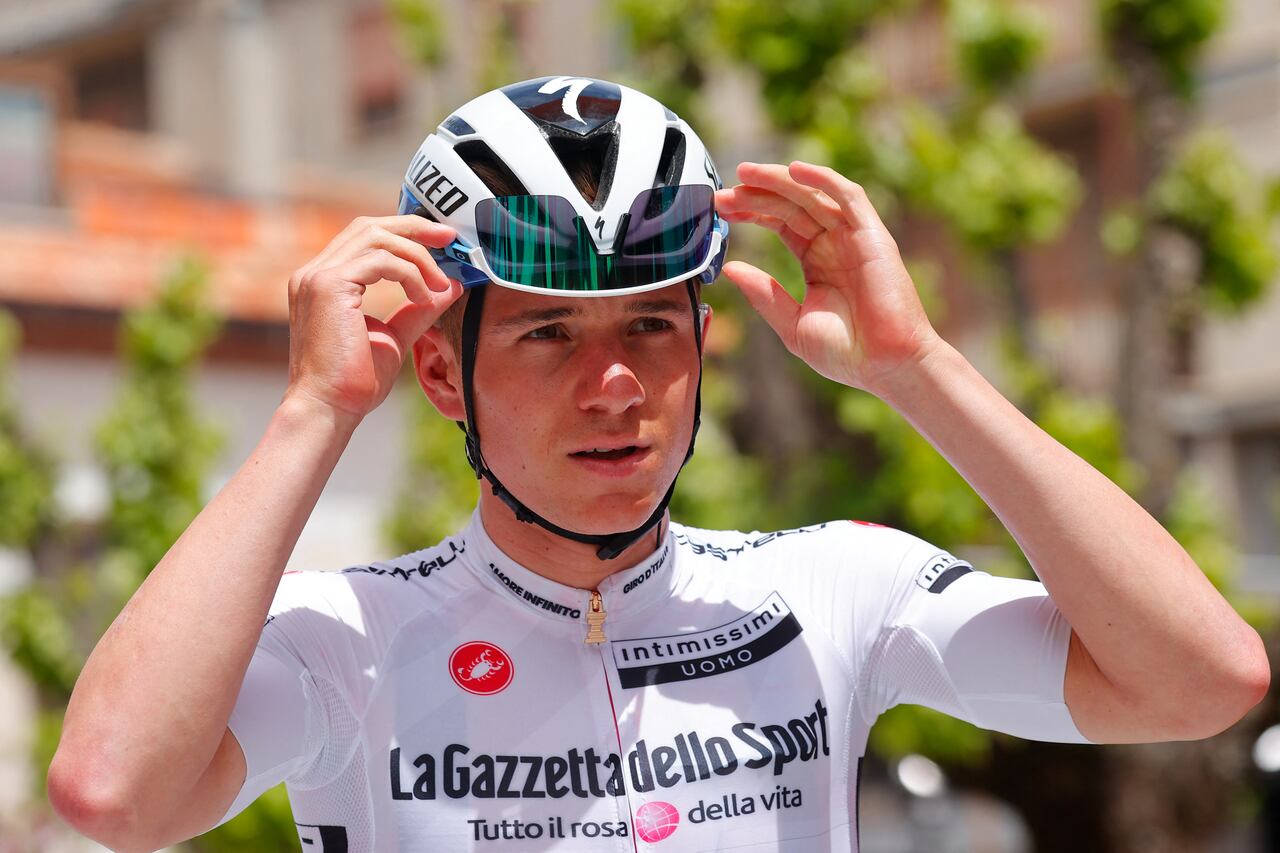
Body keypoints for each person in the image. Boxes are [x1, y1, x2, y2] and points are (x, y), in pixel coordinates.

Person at [48, 75, 1268, 852]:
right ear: (439, 374)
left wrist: (916, 368)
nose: (615, 383)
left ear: (702, 346)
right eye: (545, 335)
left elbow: (1198, 682)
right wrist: (313, 411)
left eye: (647, 324)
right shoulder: (344, 636)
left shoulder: (827, 589)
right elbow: (113, 795)